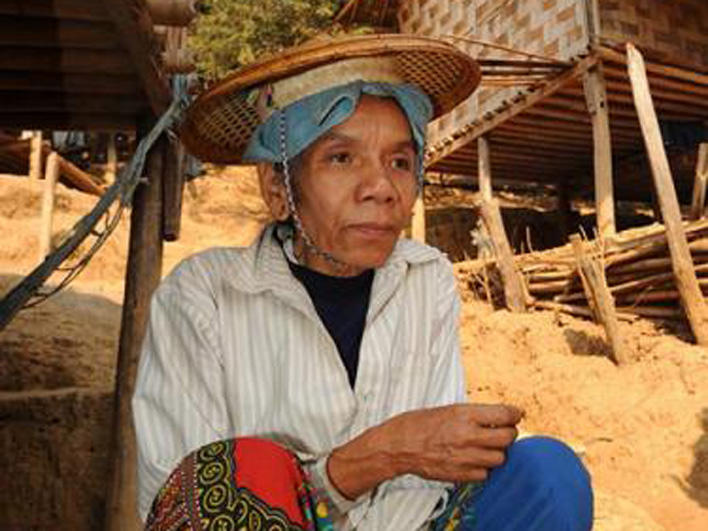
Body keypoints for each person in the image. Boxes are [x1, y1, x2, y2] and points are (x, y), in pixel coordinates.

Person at [133, 34, 593, 530]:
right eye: (341, 158)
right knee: (236, 477)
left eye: (399, 162)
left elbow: (430, 484)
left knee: (548, 476)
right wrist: (379, 454)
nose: (381, 189)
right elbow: (184, 500)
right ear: (279, 188)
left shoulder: (427, 278)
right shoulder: (204, 295)